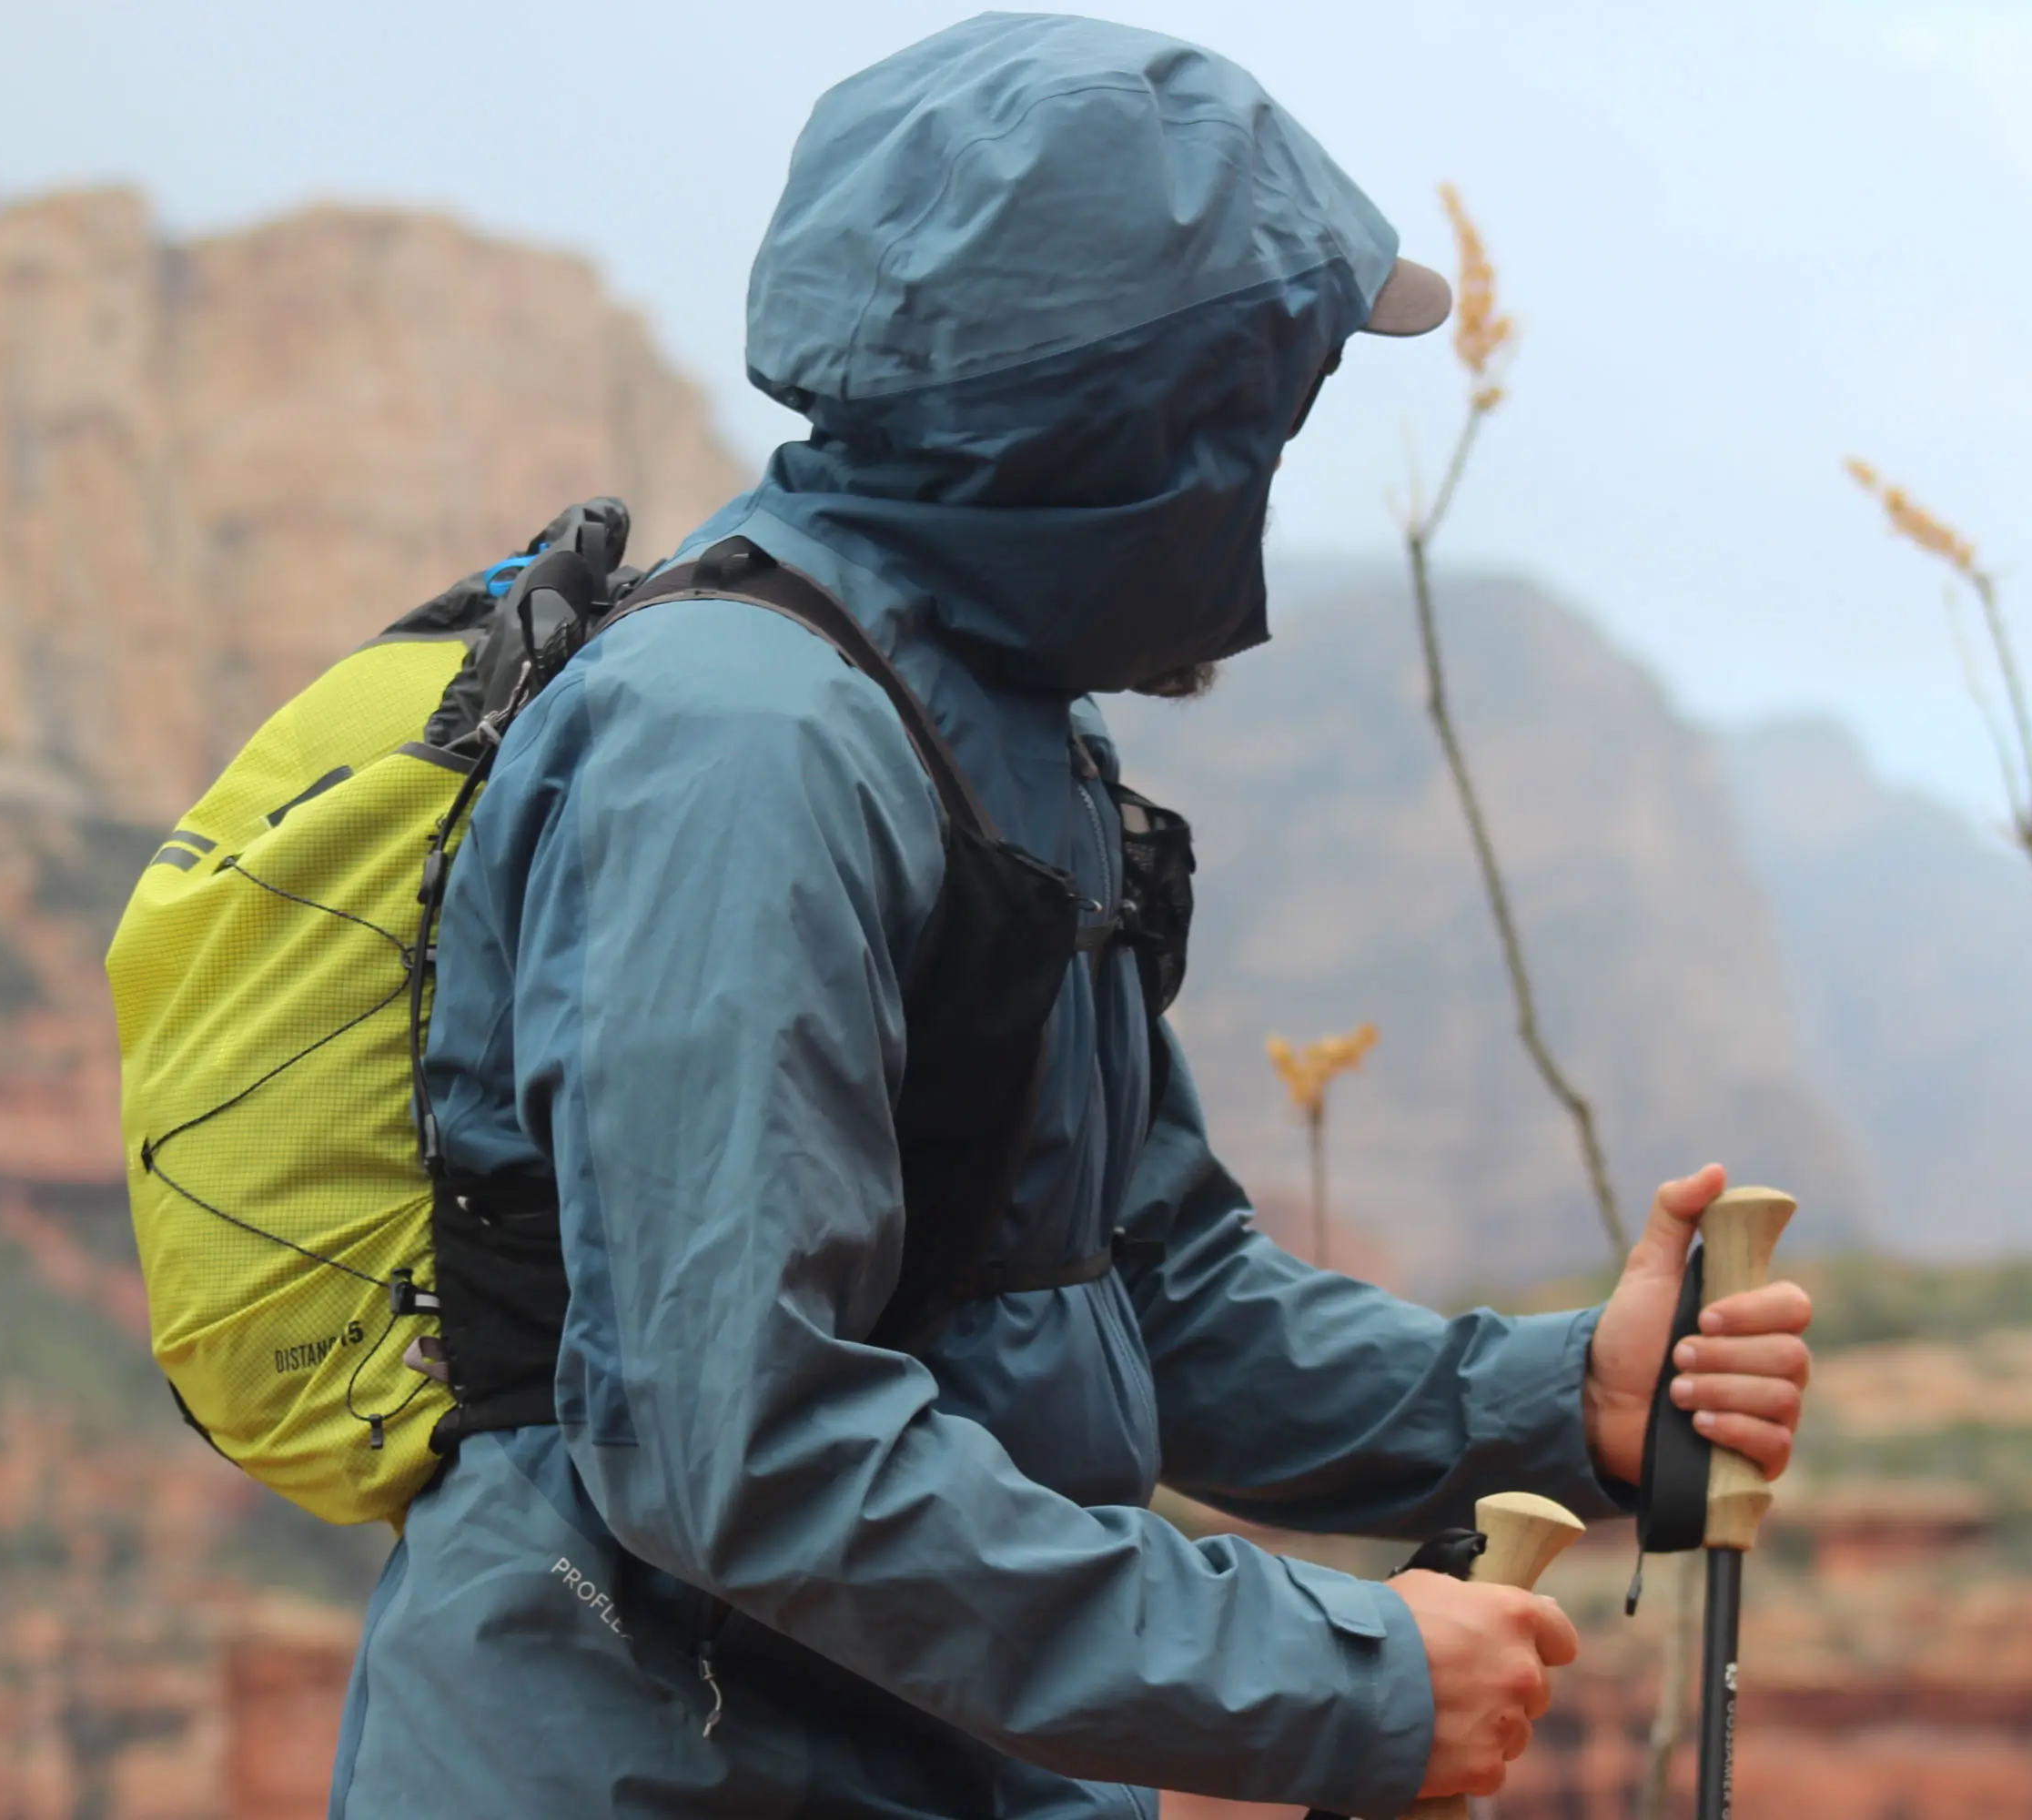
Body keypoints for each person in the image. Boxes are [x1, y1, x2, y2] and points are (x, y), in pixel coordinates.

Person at [330, 15, 1814, 1818]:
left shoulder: (996, 730)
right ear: (1159, 419)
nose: (1275, 469)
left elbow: (1130, 1284)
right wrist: (1333, 1672)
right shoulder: (744, 749)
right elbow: (738, 1449)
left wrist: (1548, 1397)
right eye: (1272, 403)